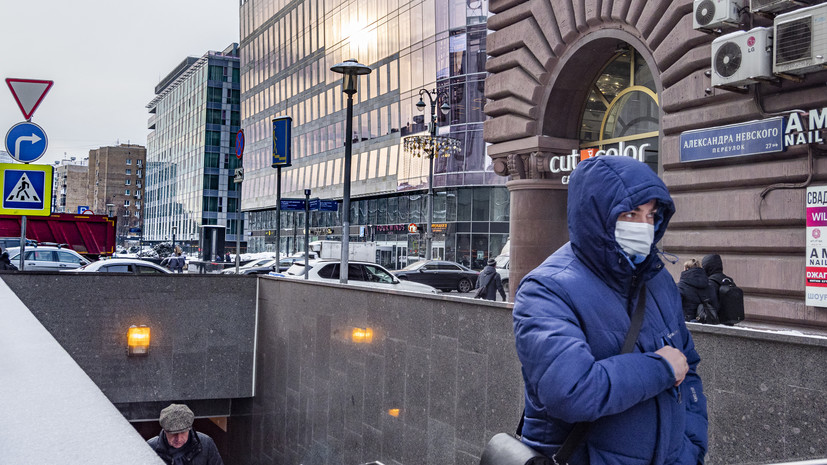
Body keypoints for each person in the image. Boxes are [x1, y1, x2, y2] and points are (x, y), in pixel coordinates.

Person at [513, 155, 708, 464]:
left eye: (650, 214)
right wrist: (661, 369)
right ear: (596, 215)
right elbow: (571, 391)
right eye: (630, 214)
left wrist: (691, 448)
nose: (644, 226)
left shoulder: (656, 278)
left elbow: (689, 365)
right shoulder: (546, 289)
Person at [147, 403, 224, 465]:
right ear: (165, 430)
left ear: (189, 429)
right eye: (173, 433)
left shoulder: (206, 444)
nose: (178, 439)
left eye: (183, 432)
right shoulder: (149, 448)